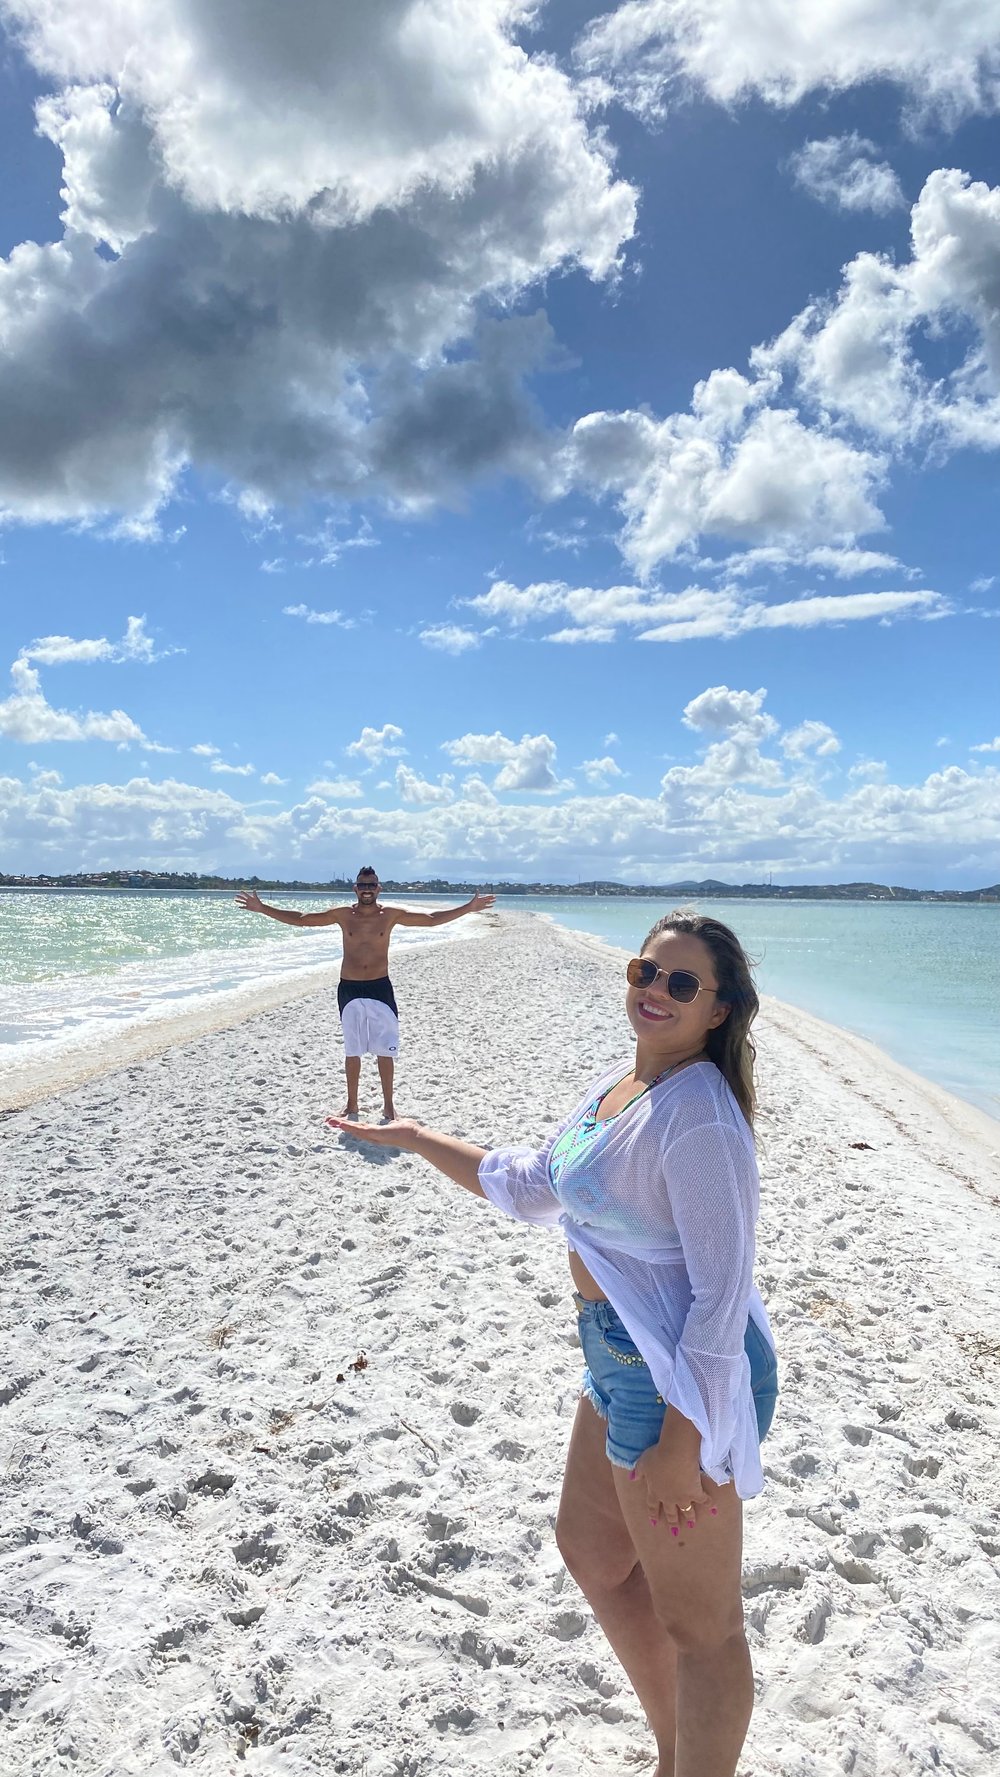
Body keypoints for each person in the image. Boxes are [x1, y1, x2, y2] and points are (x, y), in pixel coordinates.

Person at [327, 910, 777, 1777]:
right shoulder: (627, 1085)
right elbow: (535, 1186)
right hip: (616, 1352)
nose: (655, 991)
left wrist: (687, 1433)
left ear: (718, 1009)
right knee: (596, 1554)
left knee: (703, 1627)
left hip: (680, 1372)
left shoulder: (700, 1117)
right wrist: (417, 1138)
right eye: (646, 970)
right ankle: (672, 1748)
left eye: (682, 983)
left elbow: (724, 1292)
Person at [236, 868, 494, 1119]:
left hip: (380, 986)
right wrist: (263, 909)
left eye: (371, 885)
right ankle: (352, 1104)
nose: (367, 889)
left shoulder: (390, 915)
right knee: (353, 1049)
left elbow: (431, 919)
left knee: (386, 1049)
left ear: (379, 888)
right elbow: (302, 919)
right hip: (349, 988)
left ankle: (389, 1106)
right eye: (362, 885)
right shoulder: (343, 915)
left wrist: (467, 908)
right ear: (355, 888)